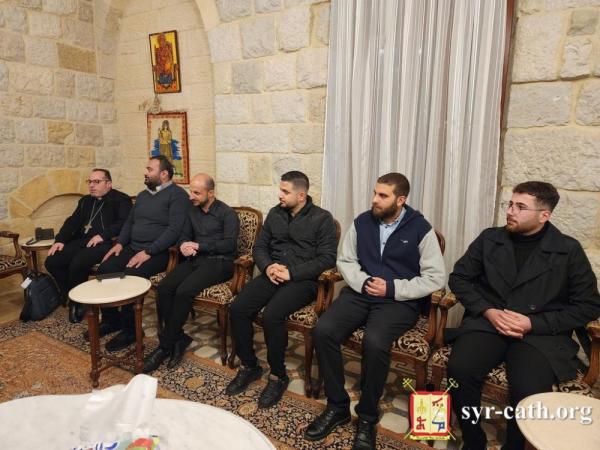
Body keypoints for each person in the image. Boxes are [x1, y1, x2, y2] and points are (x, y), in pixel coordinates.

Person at [445, 181, 600, 450]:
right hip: (489, 324)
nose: (510, 211)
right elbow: (459, 278)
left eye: (520, 207)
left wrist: (533, 322)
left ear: (544, 215)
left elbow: (588, 305)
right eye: (510, 204)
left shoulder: (568, 250)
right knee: (460, 369)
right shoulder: (489, 239)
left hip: (539, 335)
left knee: (529, 389)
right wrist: (488, 311)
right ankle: (473, 440)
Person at [305, 173, 446, 450]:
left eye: (383, 195)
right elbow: (345, 260)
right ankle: (337, 406)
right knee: (323, 331)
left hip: (398, 300)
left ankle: (368, 417)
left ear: (400, 200)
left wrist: (392, 288)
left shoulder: (421, 228)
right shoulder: (362, 221)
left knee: (375, 341)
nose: (374, 200)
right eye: (375, 193)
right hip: (361, 292)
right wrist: (364, 282)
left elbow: (435, 278)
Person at [225, 171, 338, 408]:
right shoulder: (275, 213)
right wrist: (268, 266)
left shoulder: (322, 219)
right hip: (273, 273)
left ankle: (278, 376)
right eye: (280, 190)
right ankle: (250, 366)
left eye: (285, 191)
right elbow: (259, 248)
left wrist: (292, 273)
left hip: (302, 280)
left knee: (272, 315)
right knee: (238, 308)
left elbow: (327, 258)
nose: (280, 195)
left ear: (301, 195)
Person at [143, 173, 240, 373]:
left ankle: (165, 347)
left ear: (210, 193)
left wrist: (199, 246)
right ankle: (178, 338)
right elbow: (184, 235)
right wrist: (184, 245)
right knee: (165, 288)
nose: (191, 196)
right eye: (191, 191)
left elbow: (229, 245)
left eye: (196, 193)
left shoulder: (227, 213)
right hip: (195, 259)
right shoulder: (191, 209)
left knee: (184, 291)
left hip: (220, 262)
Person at [94, 155, 189, 351]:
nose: (145, 172)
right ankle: (112, 320)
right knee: (105, 270)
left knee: (130, 278)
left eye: (150, 169)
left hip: (159, 252)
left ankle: (131, 331)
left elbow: (174, 230)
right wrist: (120, 243)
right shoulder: (143, 195)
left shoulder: (177, 195)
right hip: (133, 247)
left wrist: (148, 251)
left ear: (164, 174)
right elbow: (130, 222)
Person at [45, 169, 132, 323]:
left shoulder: (121, 200)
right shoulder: (85, 201)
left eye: (97, 182)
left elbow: (124, 223)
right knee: (52, 261)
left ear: (109, 184)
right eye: (90, 181)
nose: (91, 185)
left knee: (78, 263)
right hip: (83, 240)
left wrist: (103, 235)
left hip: (106, 242)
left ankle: (77, 303)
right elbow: (72, 222)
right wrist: (60, 240)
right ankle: (70, 293)